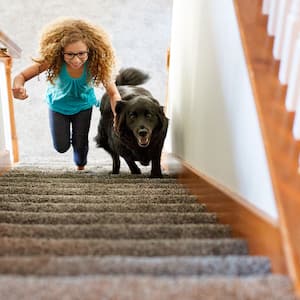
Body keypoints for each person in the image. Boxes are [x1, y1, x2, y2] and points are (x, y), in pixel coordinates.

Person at [12, 17, 121, 171]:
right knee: (61, 147)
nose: (76, 59)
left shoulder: (96, 64)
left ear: (90, 50)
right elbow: (21, 76)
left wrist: (118, 114)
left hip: (83, 107)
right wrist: (18, 87)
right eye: (70, 54)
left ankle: (80, 167)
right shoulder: (52, 60)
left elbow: (113, 94)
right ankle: (70, 141)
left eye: (81, 53)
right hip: (58, 107)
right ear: (60, 52)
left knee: (80, 143)